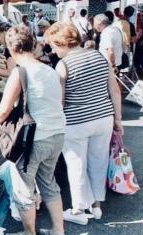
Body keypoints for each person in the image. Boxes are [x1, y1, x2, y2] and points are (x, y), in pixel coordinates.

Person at [0, 25, 67, 235]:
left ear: (10, 47)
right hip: (56, 134)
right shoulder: (50, 70)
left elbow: (4, 108)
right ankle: (58, 232)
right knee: (49, 183)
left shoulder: (20, 71)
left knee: (23, 187)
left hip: (34, 138)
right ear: (33, 45)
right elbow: (59, 102)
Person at [45, 22, 123, 224]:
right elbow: (114, 90)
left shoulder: (63, 65)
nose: (53, 50)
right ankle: (96, 206)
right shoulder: (99, 56)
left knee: (76, 164)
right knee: (99, 161)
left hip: (76, 121)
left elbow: (59, 101)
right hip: (103, 118)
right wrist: (118, 120)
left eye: (54, 46)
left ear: (62, 43)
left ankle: (79, 210)